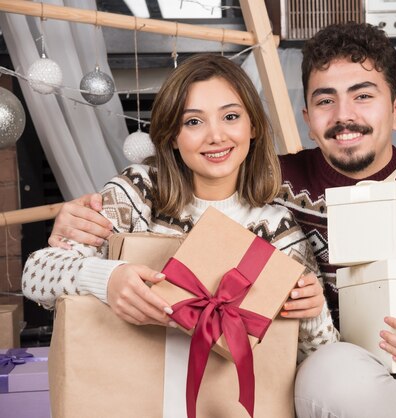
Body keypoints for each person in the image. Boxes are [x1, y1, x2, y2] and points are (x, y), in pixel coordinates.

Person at [45, 23, 396, 417]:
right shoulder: (265, 182)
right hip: (355, 391)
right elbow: (198, 176)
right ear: (305, 114)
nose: (344, 116)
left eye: (364, 96)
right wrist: (80, 226)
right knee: (331, 369)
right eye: (326, 100)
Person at [22, 53, 339, 363]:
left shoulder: (276, 227)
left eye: (231, 116)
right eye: (193, 121)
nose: (216, 136)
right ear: (173, 136)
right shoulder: (139, 192)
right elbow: (35, 275)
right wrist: (106, 279)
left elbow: (322, 357)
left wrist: (312, 313)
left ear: (253, 127)